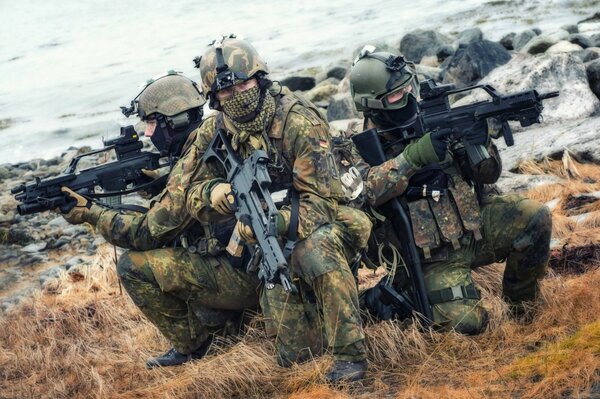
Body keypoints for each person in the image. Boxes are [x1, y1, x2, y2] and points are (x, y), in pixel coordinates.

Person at [185, 35, 371, 382]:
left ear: (259, 78)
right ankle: (320, 316)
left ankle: (350, 356)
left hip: (331, 216)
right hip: (264, 231)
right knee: (295, 355)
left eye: (243, 83)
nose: (236, 94)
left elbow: (324, 200)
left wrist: (273, 224)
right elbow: (189, 193)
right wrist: (215, 194)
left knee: (317, 251)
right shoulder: (213, 131)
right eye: (225, 92)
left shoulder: (297, 121)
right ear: (213, 98)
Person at [59, 71, 262, 368]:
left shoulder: (193, 160)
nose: (147, 133)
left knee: (132, 266)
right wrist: (158, 184)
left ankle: (195, 344)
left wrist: (90, 213)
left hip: (247, 279)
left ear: (176, 121)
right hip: (257, 267)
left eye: (152, 122)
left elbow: (146, 234)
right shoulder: (212, 137)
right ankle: (226, 318)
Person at [346, 47, 552, 333]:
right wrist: (413, 158)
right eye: (395, 95)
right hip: (428, 257)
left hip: (475, 229)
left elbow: (488, 174)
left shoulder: (433, 117)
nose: (406, 97)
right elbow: (364, 192)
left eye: (408, 87)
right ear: (372, 104)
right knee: (467, 324)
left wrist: (476, 143)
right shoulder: (354, 146)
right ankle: (381, 300)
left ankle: (522, 309)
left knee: (535, 216)